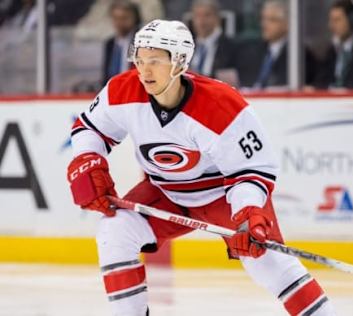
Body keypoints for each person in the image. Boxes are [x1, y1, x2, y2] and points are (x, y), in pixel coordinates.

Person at [67, 19, 336, 316]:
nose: (143, 70)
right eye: (139, 60)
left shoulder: (221, 105)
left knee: (269, 265)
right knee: (115, 231)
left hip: (224, 197)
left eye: (154, 61)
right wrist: (86, 159)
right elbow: (89, 128)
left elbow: (252, 170)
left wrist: (248, 212)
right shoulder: (122, 91)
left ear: (180, 62)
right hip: (166, 192)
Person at [235, 0, 316, 90]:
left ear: (287, 24)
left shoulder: (299, 54)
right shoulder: (253, 51)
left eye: (272, 20)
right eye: (263, 19)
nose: (264, 24)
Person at [313, 0, 353, 89]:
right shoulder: (332, 51)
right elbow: (321, 81)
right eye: (331, 20)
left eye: (337, 20)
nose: (331, 26)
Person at [189, 0, 236, 79]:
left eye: (207, 15)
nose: (201, 21)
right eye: (197, 16)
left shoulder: (231, 47)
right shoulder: (188, 44)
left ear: (217, 18)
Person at [102, 0, 141, 84]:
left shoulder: (139, 41)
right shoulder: (110, 43)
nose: (119, 22)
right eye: (116, 18)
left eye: (124, 18)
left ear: (135, 18)